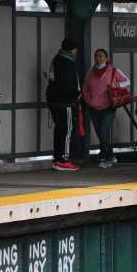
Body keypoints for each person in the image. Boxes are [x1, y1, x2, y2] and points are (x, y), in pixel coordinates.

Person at [46, 37, 81, 172]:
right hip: (65, 101)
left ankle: (57, 158)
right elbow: (67, 84)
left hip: (54, 100)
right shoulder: (68, 62)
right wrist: (76, 94)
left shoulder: (56, 59)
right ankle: (63, 159)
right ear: (73, 49)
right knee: (67, 130)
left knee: (59, 129)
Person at [82, 48, 118, 168]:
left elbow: (125, 82)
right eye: (97, 56)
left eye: (101, 56)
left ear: (106, 58)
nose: (99, 58)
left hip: (108, 107)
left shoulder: (113, 71)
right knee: (101, 134)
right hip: (94, 108)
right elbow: (85, 89)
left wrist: (114, 86)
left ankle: (105, 158)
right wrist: (89, 101)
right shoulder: (90, 73)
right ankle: (110, 155)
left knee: (103, 131)